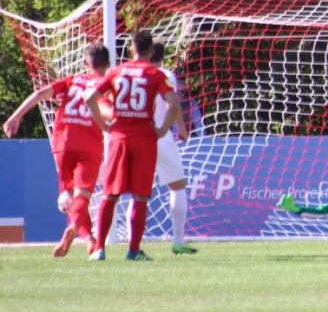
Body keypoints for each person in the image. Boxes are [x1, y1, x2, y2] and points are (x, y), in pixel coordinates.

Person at [3, 43, 111, 258]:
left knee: (68, 197)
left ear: (85, 63)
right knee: (82, 195)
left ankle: (89, 239)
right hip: (89, 144)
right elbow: (107, 110)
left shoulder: (72, 81)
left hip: (62, 143)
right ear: (107, 65)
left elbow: (41, 93)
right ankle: (72, 230)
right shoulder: (105, 85)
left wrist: (15, 116)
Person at [84, 30, 181, 262]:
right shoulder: (155, 73)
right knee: (140, 196)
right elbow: (174, 103)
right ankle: (133, 250)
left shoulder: (117, 71)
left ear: (131, 49)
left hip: (119, 135)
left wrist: (104, 126)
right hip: (144, 137)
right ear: (150, 51)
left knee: (110, 194)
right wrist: (164, 128)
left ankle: (99, 249)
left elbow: (90, 98)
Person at [146, 42, 196, 255]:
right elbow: (173, 105)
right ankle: (177, 240)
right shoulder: (166, 75)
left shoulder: (137, 75)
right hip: (163, 136)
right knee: (177, 187)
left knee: (139, 193)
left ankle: (132, 241)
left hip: (141, 137)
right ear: (162, 57)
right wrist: (182, 129)